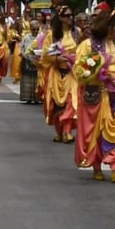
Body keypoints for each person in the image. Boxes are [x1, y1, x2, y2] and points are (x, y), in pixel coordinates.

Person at [71, 6, 115, 181]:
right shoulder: (88, 45)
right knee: (96, 133)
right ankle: (96, 166)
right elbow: (79, 70)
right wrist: (95, 71)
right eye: (114, 25)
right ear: (105, 25)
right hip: (98, 95)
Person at [39, 12, 79, 144]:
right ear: (61, 18)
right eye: (67, 15)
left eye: (70, 15)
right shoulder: (52, 35)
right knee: (55, 104)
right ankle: (59, 131)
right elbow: (45, 54)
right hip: (56, 73)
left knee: (71, 101)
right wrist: (56, 58)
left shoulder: (76, 33)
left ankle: (67, 131)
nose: (70, 18)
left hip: (71, 73)